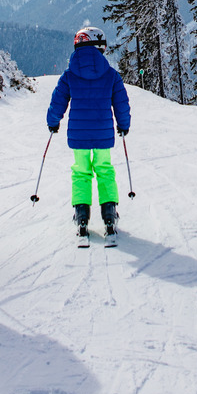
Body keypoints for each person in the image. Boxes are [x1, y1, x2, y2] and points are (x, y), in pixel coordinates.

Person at [46, 26, 131, 238]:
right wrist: (123, 124)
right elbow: (121, 103)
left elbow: (58, 101)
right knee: (104, 169)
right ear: (99, 47)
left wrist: (53, 121)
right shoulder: (111, 75)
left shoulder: (69, 75)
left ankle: (82, 216)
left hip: (79, 135)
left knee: (81, 172)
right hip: (103, 134)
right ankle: (109, 215)